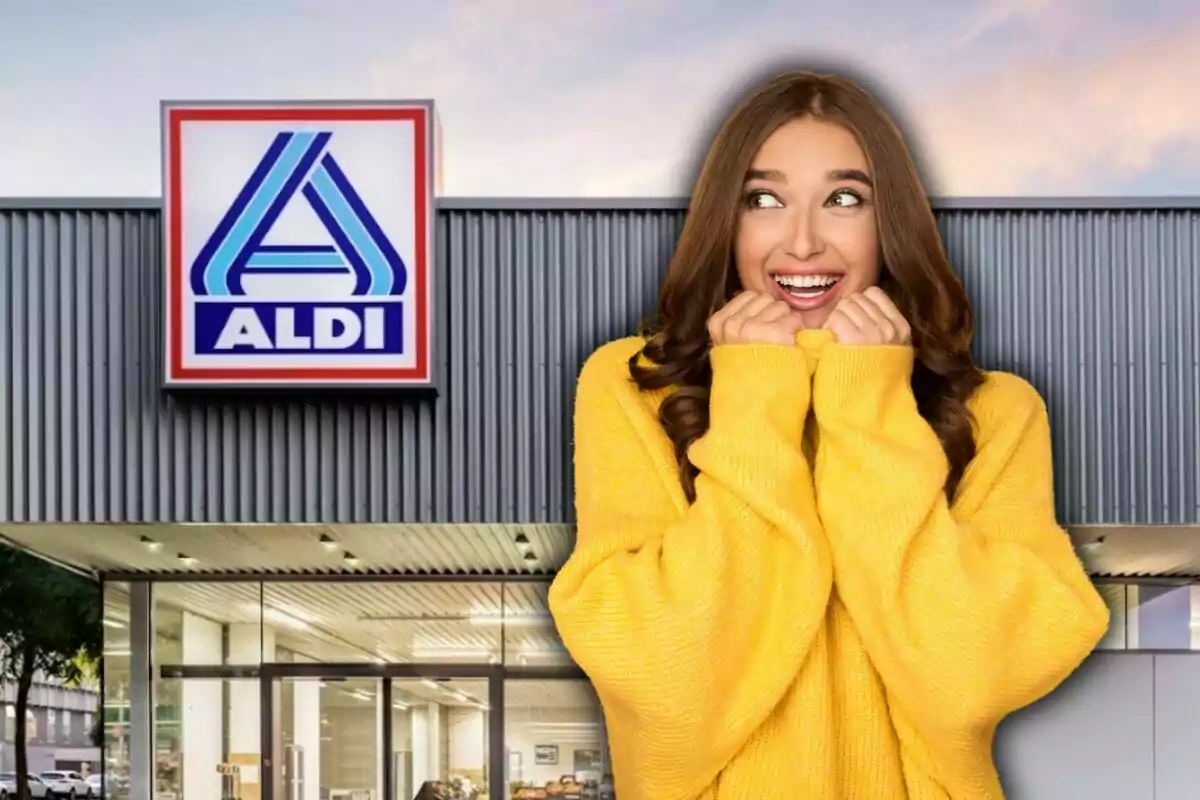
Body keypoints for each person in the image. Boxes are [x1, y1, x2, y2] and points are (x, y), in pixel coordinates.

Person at [547, 68, 1110, 800]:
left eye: (844, 199)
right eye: (763, 199)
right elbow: (665, 679)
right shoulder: (633, 388)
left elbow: (974, 678)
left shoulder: (995, 410)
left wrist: (867, 408)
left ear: (889, 224)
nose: (804, 241)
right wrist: (753, 396)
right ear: (726, 218)